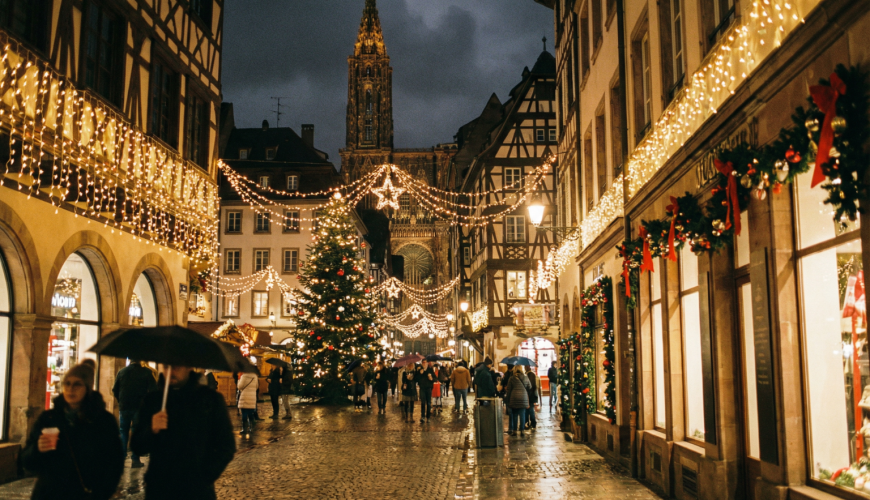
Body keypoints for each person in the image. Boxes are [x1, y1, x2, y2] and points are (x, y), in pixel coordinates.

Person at [22, 363, 124, 500]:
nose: (71, 389)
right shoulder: (49, 418)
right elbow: (27, 462)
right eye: (67, 383)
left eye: (77, 384)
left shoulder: (103, 421)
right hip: (49, 494)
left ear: (87, 387)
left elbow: (114, 462)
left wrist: (102, 493)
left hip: (85, 494)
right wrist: (36, 449)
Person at [132, 366, 236, 499]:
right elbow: (137, 446)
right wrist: (151, 430)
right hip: (159, 491)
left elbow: (226, 446)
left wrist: (203, 478)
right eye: (166, 367)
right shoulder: (153, 401)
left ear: (188, 368)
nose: (170, 372)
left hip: (197, 493)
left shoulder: (209, 400)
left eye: (176, 367)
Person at [112, 359, 156, 468]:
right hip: (139, 407)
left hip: (124, 406)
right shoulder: (147, 372)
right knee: (136, 432)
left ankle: (121, 459)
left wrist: (120, 401)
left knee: (123, 431)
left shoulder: (122, 371)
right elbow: (153, 391)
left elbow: (115, 389)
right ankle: (135, 460)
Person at [505, 366, 531, 437]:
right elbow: (530, 386)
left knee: (515, 415)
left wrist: (508, 400)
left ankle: (515, 431)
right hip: (523, 397)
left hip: (514, 398)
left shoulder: (512, 378)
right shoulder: (525, 377)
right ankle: (522, 431)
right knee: (522, 414)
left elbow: (509, 390)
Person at [237, 370, 259, 436]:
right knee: (250, 413)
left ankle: (244, 429)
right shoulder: (255, 376)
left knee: (244, 413)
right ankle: (251, 427)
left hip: (245, 397)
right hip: (252, 397)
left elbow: (239, 387)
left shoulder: (244, 376)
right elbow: (256, 387)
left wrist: (239, 380)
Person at [525, 366, 539, 431]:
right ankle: (532, 423)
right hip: (532, 394)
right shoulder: (532, 374)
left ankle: (531, 422)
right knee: (530, 409)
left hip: (530, 394)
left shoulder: (529, 374)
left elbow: (530, 386)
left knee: (529, 410)